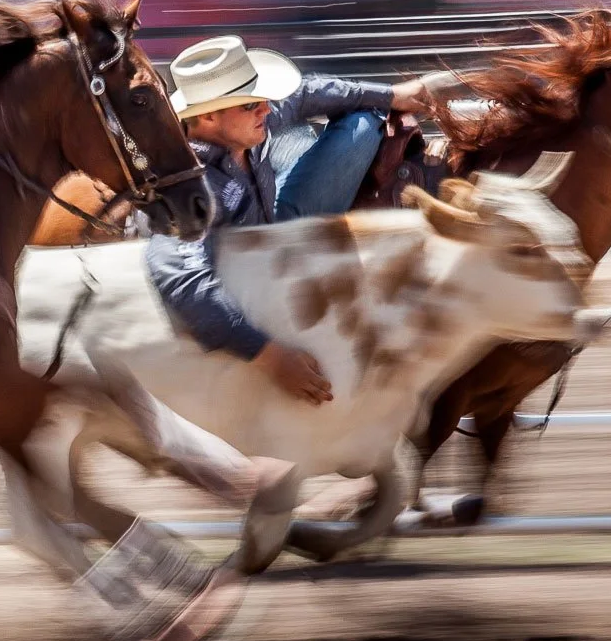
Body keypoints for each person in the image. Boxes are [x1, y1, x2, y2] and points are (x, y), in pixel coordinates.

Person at [145, 36, 429, 405]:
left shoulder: (246, 123)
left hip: (275, 229)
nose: (266, 109)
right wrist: (268, 355)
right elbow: (181, 277)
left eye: (262, 99)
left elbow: (305, 93)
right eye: (251, 104)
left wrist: (392, 95)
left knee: (364, 120)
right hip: (250, 284)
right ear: (209, 116)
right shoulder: (187, 188)